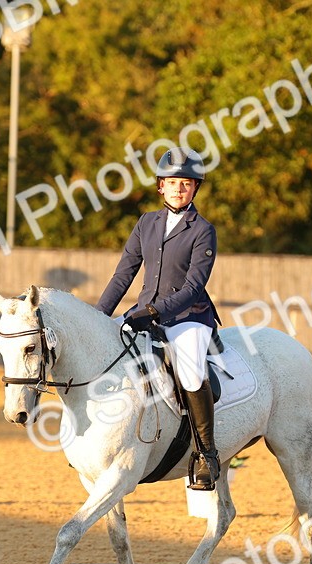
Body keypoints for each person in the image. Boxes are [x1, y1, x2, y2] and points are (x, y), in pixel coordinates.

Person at [96, 147, 222, 490]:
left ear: (195, 189)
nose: (178, 189)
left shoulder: (203, 230)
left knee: (191, 369)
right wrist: (97, 317)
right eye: (172, 183)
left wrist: (154, 312)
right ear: (160, 187)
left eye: (186, 183)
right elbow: (123, 275)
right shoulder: (146, 223)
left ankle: (206, 455)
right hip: (143, 314)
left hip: (187, 317)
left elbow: (195, 287)